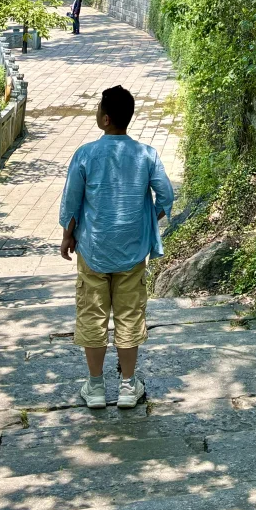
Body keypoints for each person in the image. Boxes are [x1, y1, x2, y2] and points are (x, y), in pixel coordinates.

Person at [59, 84, 174, 409]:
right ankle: (127, 386)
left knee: (93, 316)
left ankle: (95, 388)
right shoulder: (146, 154)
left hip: (94, 250)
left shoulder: (85, 155)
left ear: (106, 119)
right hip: (132, 252)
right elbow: (166, 195)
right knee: (129, 316)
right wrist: (150, 217)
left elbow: (72, 203)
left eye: (98, 109)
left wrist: (68, 236)